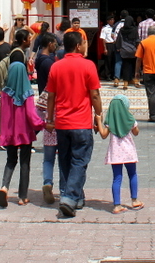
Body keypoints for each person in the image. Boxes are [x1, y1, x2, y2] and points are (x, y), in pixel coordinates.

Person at [45, 31, 103, 218]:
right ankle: (69, 197)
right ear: (78, 46)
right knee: (79, 161)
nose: (86, 46)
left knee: (66, 160)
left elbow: (51, 96)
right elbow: (94, 94)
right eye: (84, 43)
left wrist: (50, 118)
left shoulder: (56, 67)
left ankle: (75, 197)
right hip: (81, 122)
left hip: (62, 122)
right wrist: (99, 114)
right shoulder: (88, 65)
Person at [0, 62, 45, 207]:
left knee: (11, 161)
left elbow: (2, 116)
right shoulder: (27, 92)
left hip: (9, 133)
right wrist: (41, 124)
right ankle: (22, 197)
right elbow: (31, 115)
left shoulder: (5, 94)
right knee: (25, 163)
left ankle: (4, 187)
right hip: (24, 133)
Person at [96, 94, 144, 214]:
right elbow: (136, 132)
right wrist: (132, 123)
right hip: (129, 152)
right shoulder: (130, 119)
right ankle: (135, 200)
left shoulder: (110, 121)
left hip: (115, 153)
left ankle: (117, 205)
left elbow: (103, 135)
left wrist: (98, 121)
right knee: (132, 174)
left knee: (117, 178)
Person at [35, 90, 60, 204]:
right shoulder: (65, 88)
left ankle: (47, 183)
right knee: (64, 160)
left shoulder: (47, 91)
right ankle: (64, 188)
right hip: (63, 128)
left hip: (49, 129)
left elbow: (38, 109)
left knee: (48, 160)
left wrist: (44, 122)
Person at [116, 10, 140, 89]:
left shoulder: (121, 30)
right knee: (132, 65)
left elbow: (118, 39)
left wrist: (118, 47)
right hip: (133, 50)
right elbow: (137, 40)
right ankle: (132, 79)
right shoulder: (134, 30)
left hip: (124, 50)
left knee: (126, 65)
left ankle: (125, 82)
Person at [100, 14, 119, 84]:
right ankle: (107, 75)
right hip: (108, 45)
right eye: (111, 20)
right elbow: (103, 39)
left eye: (113, 20)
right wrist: (105, 48)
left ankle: (113, 75)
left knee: (114, 60)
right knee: (108, 61)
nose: (112, 21)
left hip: (114, 44)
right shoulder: (105, 28)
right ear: (108, 21)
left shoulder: (115, 27)